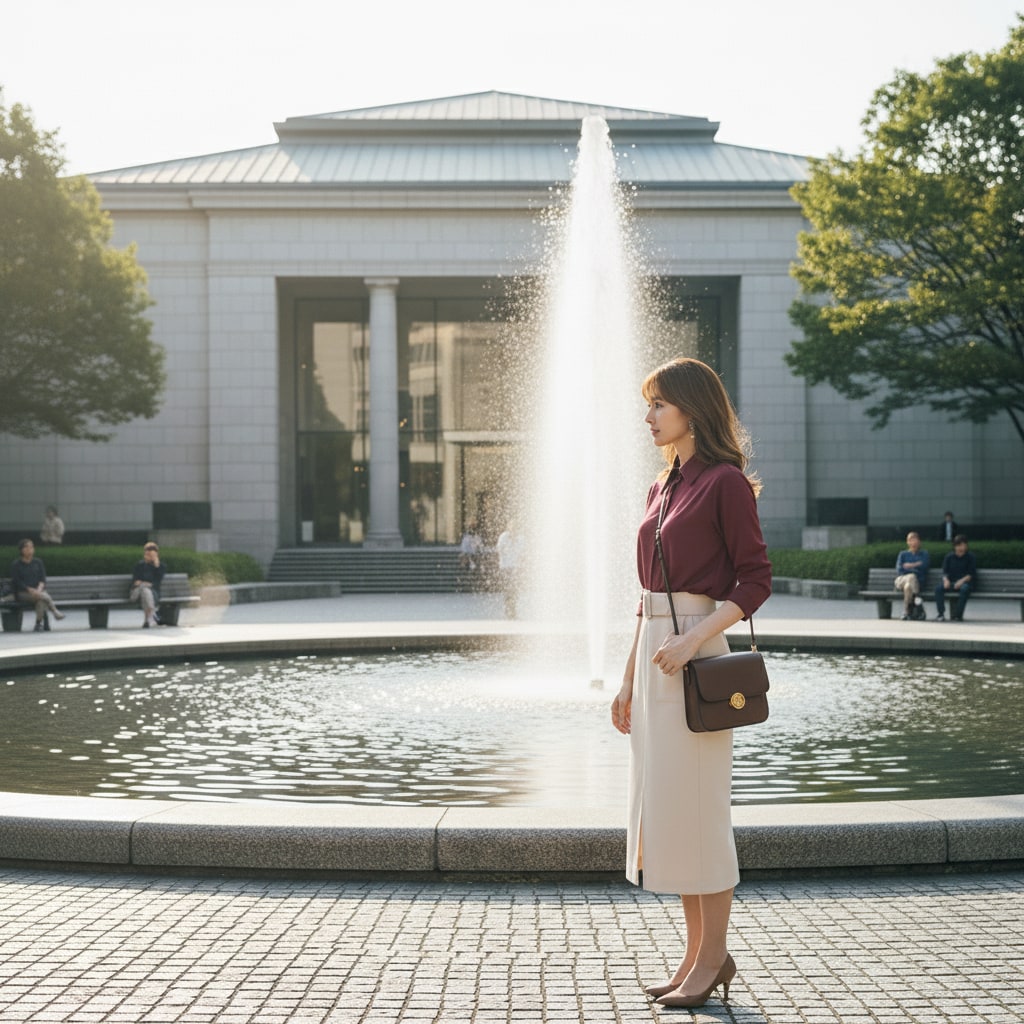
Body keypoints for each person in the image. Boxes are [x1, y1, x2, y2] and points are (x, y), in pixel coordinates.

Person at [610, 357, 771, 1009]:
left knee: (704, 816)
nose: (648, 417)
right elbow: (647, 599)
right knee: (673, 817)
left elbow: (754, 580)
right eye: (647, 405)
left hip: (697, 661)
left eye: (657, 405)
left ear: (691, 410)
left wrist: (693, 639)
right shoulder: (662, 487)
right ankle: (698, 958)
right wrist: (625, 682)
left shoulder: (725, 483)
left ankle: (713, 960)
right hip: (656, 662)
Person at [10, 539, 65, 631]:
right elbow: (17, 581)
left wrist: (39, 589)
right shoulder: (16, 564)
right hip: (23, 593)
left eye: (31, 547)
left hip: (39, 592)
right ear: (21, 550)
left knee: (41, 601)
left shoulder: (38, 562)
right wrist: (30, 589)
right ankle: (54, 611)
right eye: (27, 547)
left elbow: (42, 579)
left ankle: (38, 624)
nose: (30, 549)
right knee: (42, 597)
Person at [935, 534, 976, 622]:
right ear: (955, 546)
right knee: (938, 589)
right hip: (951, 582)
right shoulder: (949, 557)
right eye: (959, 545)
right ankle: (940, 614)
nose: (962, 547)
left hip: (965, 583)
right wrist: (946, 580)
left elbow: (971, 574)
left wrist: (961, 582)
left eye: (964, 545)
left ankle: (958, 615)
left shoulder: (970, 557)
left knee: (964, 589)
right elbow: (945, 572)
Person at [893, 531, 929, 620]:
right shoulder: (903, 554)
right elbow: (899, 569)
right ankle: (918, 604)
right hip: (902, 580)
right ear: (907, 542)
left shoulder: (924, 554)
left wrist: (909, 565)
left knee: (908, 586)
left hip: (916, 582)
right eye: (911, 540)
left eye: (915, 540)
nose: (913, 543)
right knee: (911, 577)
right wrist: (916, 565)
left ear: (919, 542)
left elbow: (924, 567)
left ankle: (907, 612)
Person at [130, 542, 167, 628]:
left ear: (156, 555)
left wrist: (157, 566)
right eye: (146, 554)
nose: (147, 556)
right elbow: (135, 582)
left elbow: (157, 581)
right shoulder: (140, 565)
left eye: (151, 555)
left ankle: (147, 621)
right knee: (144, 589)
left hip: (152, 593)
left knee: (145, 592)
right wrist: (144, 584)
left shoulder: (161, 567)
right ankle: (153, 614)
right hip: (135, 593)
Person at [495, 523, 524, 616]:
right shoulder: (503, 537)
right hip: (506, 567)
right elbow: (499, 549)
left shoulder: (520, 538)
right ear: (508, 528)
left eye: (515, 528)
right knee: (508, 589)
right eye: (511, 528)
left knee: (515, 590)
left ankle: (513, 608)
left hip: (516, 567)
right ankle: (508, 609)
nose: (513, 530)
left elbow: (523, 553)